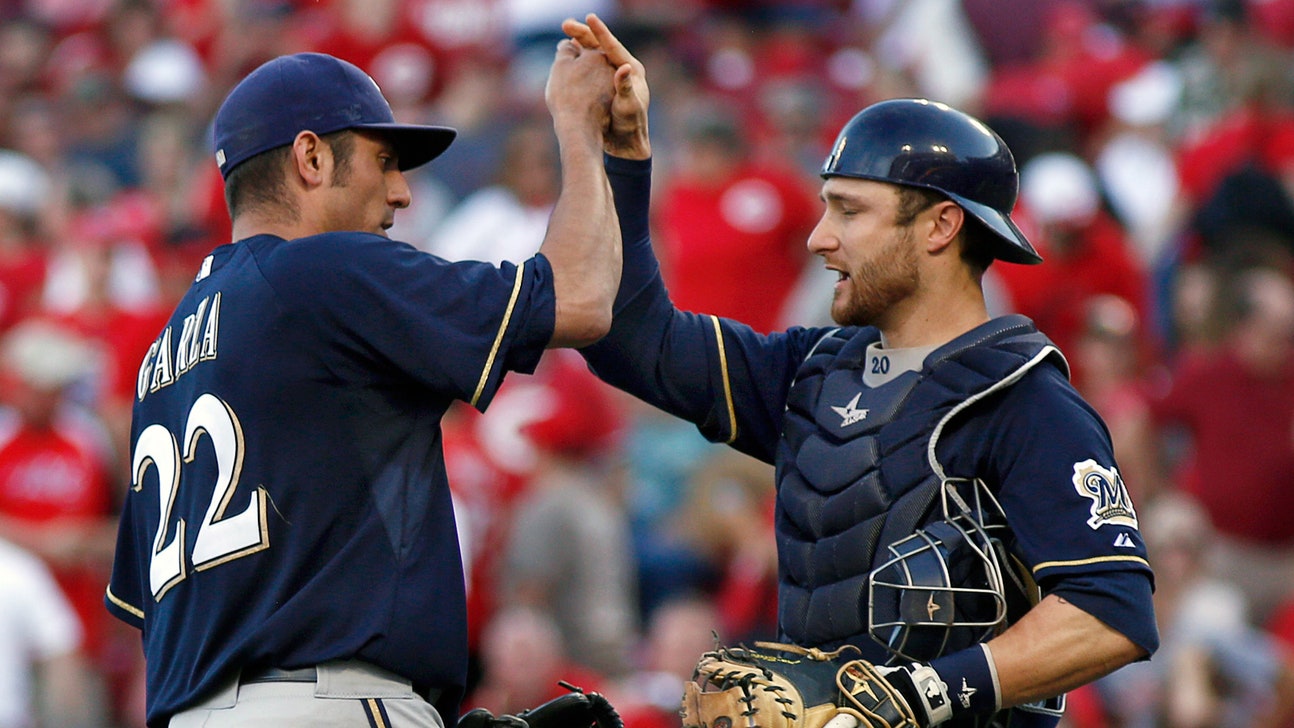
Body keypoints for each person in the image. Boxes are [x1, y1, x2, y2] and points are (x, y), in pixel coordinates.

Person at [563, 15, 1157, 728]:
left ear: (941, 226)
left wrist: (920, 695)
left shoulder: (1023, 398)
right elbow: (629, 337)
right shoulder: (809, 370)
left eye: (850, 211)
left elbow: (1112, 612)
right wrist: (626, 161)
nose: (820, 237)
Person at [103, 43, 623, 727]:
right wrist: (582, 132)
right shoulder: (323, 272)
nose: (403, 191)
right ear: (312, 158)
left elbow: (145, 613)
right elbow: (582, 300)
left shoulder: (158, 361)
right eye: (383, 160)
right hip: (331, 701)